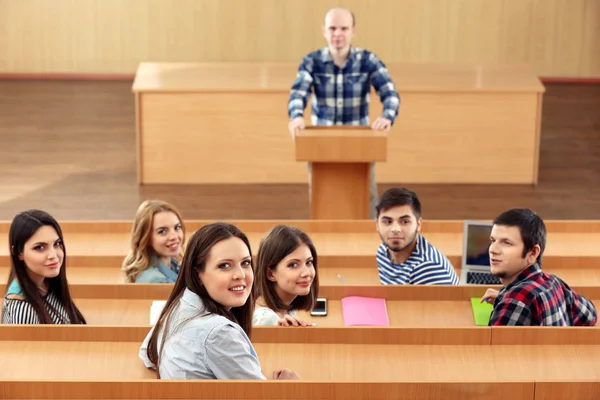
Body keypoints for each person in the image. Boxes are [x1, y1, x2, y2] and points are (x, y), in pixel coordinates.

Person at [139, 222, 300, 380]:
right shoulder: (219, 333)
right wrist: (290, 387)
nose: (241, 275)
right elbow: (257, 396)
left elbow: (147, 353)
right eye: (224, 266)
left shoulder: (180, 304)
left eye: (245, 263)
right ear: (197, 274)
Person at [287, 7, 400, 218]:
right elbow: (298, 93)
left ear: (353, 31)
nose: (337, 34)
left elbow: (390, 93)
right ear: (324, 31)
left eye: (343, 28)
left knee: (367, 199)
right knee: (321, 197)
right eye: (332, 28)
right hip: (321, 144)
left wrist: (387, 116)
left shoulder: (368, 60)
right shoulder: (312, 61)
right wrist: (296, 116)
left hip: (360, 144)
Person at [480, 208, 597, 326]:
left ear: (533, 253)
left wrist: (509, 302)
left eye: (507, 243)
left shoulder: (516, 301)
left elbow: (494, 344)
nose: (492, 249)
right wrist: (503, 298)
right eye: (493, 240)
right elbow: (591, 315)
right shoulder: (553, 282)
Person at [2, 209, 86, 324]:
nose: (53, 255)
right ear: (18, 253)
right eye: (40, 247)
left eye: (57, 244)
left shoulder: (46, 282)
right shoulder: (23, 309)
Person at [375, 188, 459, 285]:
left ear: (418, 224)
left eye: (404, 222)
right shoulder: (382, 252)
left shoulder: (429, 268)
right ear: (377, 224)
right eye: (387, 222)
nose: (395, 229)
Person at [253, 225, 319, 326]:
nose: (306, 273)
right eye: (293, 265)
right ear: (271, 274)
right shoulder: (267, 319)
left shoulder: (285, 310)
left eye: (309, 262)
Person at [122, 200, 185, 283]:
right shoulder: (156, 280)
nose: (174, 236)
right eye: (162, 231)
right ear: (146, 237)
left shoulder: (174, 265)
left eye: (177, 227)